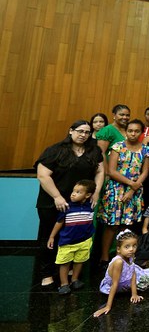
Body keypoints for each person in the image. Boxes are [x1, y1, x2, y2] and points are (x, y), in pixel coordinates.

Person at [35, 120, 103, 289]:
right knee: (50, 236)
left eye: (87, 132)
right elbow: (43, 175)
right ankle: (47, 273)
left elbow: (100, 171)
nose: (83, 135)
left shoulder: (94, 151)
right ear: (71, 131)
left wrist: (95, 192)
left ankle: (70, 271)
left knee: (75, 236)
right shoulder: (55, 150)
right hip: (53, 202)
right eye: (80, 131)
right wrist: (57, 197)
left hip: (79, 205)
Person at [97, 119, 149, 266]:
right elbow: (111, 171)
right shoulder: (118, 146)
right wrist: (131, 184)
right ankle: (104, 257)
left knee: (125, 225)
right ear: (126, 132)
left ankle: (120, 257)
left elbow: (145, 171)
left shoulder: (146, 149)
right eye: (130, 131)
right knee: (112, 225)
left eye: (137, 131)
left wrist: (133, 189)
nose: (133, 134)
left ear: (141, 133)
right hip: (116, 189)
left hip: (134, 190)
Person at [93, 230, 149, 317]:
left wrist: (134, 294)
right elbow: (114, 284)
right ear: (118, 249)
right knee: (146, 281)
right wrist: (108, 306)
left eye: (134, 246)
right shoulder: (118, 262)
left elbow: (133, 274)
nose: (131, 249)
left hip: (125, 282)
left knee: (147, 279)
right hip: (114, 286)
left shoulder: (130, 256)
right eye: (127, 247)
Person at [46, 179, 96, 294]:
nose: (73, 194)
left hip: (84, 241)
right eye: (73, 191)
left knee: (79, 261)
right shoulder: (67, 207)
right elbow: (59, 222)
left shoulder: (90, 207)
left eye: (78, 192)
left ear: (88, 195)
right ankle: (64, 284)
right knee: (65, 263)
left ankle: (74, 279)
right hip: (67, 242)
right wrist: (52, 236)